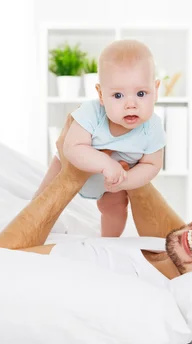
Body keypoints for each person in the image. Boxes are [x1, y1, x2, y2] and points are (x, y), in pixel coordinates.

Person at [0, 114, 192, 288]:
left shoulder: (114, 274)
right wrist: (128, 164)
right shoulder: (173, 257)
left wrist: (74, 172)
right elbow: (174, 234)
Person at [34, 39, 166, 237]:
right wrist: (104, 162)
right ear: (101, 95)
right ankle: (37, 222)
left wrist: (126, 181)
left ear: (155, 90)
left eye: (141, 93)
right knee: (46, 194)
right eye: (118, 95)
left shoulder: (153, 127)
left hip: (113, 182)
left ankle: (108, 240)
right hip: (70, 169)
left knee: (116, 206)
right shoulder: (91, 112)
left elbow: (152, 165)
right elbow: (72, 147)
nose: (131, 104)